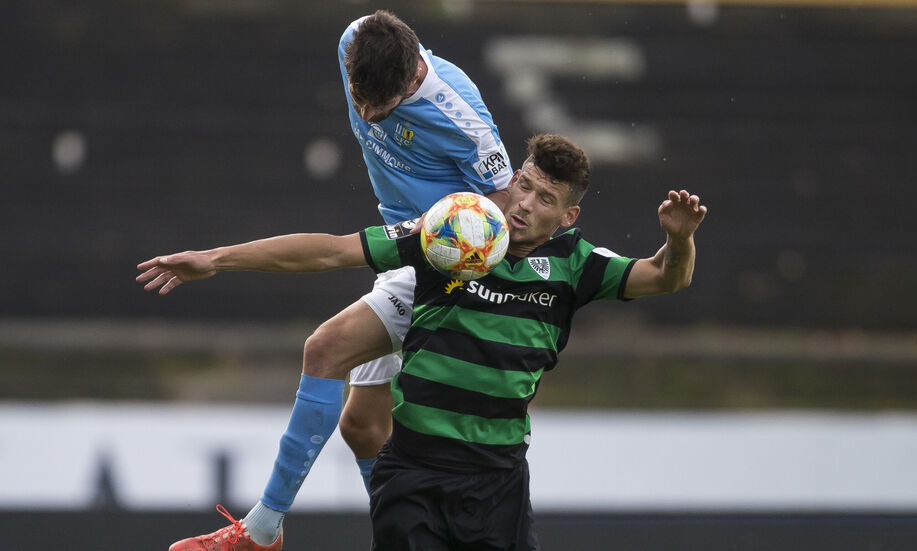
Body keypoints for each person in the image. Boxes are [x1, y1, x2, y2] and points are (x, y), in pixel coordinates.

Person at [137, 134, 708, 550]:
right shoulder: (450, 233)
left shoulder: (577, 265)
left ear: (568, 215)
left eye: (544, 199)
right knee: (339, 378)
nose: (524, 204)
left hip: (498, 479)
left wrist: (678, 240)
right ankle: (265, 527)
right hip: (412, 471)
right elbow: (332, 250)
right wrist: (215, 259)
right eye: (523, 186)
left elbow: (666, 276)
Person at [155, 10, 514, 551]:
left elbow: (504, 208)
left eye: (381, 106)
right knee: (363, 427)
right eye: (357, 97)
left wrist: (437, 238)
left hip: (440, 267)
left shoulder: (461, 115)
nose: (366, 115)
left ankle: (260, 531)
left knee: (324, 351)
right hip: (401, 255)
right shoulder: (356, 39)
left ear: (415, 76)